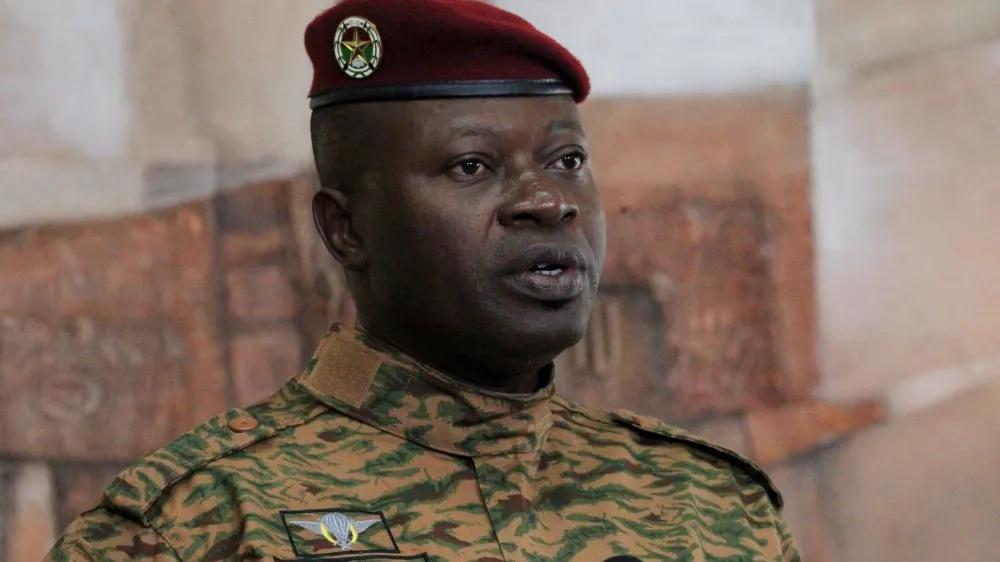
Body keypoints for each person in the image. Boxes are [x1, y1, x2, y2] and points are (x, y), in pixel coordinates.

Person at [45, 1, 800, 560]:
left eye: (566, 162)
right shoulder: (196, 522)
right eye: (472, 166)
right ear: (346, 229)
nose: (547, 199)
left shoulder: (712, 506)